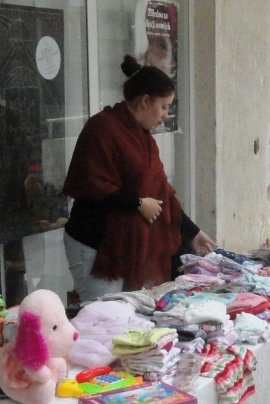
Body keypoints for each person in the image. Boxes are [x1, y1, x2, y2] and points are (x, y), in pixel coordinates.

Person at [62, 55, 215, 302]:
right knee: (104, 316)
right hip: (95, 245)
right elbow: (92, 185)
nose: (166, 114)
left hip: (126, 247)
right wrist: (137, 203)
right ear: (145, 101)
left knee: (128, 316)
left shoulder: (144, 140)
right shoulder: (102, 128)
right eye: (164, 106)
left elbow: (162, 194)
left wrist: (193, 232)